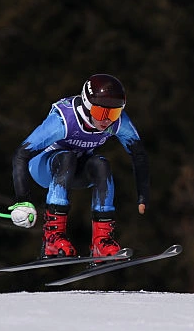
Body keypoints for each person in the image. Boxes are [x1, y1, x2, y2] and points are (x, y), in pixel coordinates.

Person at [8, 74, 149, 259]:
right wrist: (23, 201)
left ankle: (102, 242)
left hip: (75, 171)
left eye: (113, 114)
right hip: (43, 167)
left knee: (101, 164)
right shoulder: (64, 120)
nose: (106, 121)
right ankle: (52, 238)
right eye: (101, 113)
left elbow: (138, 154)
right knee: (66, 158)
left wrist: (142, 196)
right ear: (87, 106)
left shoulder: (118, 123)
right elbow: (21, 154)